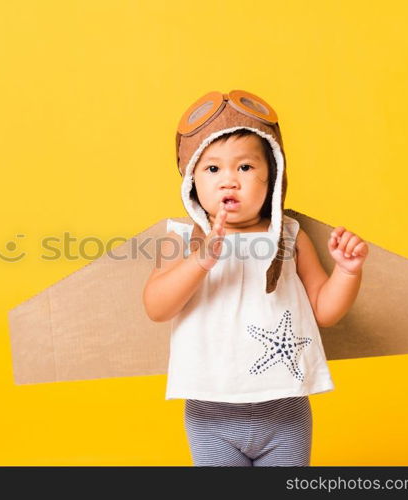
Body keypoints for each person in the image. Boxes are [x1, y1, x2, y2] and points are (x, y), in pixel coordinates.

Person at [142, 90, 369, 466]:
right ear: (192, 180)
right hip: (211, 413)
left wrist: (347, 272)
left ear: (272, 179)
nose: (229, 181)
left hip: (285, 410)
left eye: (245, 168)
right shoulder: (182, 239)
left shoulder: (289, 236)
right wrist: (201, 261)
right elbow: (156, 307)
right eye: (213, 169)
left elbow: (324, 312)